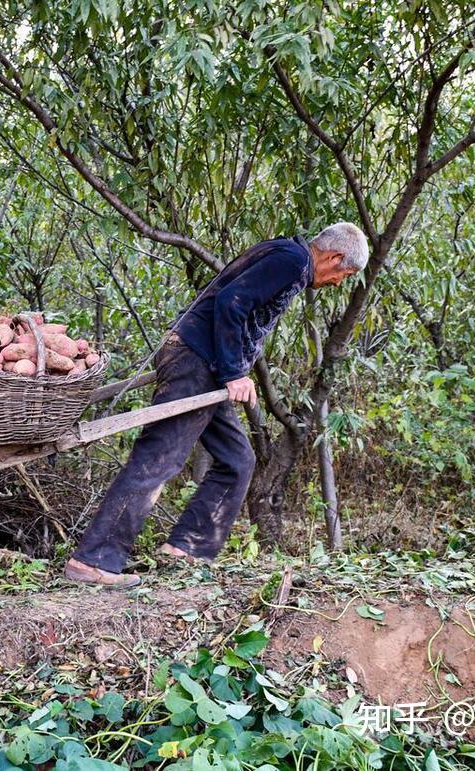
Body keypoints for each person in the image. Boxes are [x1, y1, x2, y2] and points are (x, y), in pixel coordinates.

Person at [65, 222, 369, 587]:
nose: (339, 283)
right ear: (335, 258)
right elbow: (231, 302)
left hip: (203, 363)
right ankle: (93, 561)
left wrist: (232, 369)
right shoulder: (292, 261)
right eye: (345, 274)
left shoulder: (286, 253)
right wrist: (232, 373)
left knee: (237, 460)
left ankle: (187, 549)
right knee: (160, 456)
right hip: (197, 361)